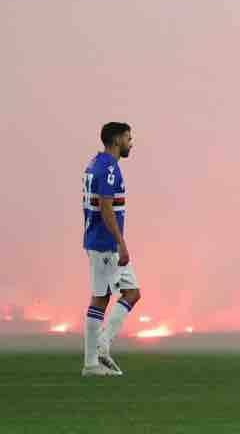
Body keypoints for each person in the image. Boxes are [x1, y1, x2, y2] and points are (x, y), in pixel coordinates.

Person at [81, 122, 141, 377]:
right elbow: (106, 208)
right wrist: (121, 243)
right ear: (117, 140)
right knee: (123, 294)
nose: (131, 142)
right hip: (107, 244)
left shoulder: (94, 164)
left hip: (97, 241)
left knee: (111, 296)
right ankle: (99, 351)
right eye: (128, 138)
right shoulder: (108, 169)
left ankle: (93, 361)